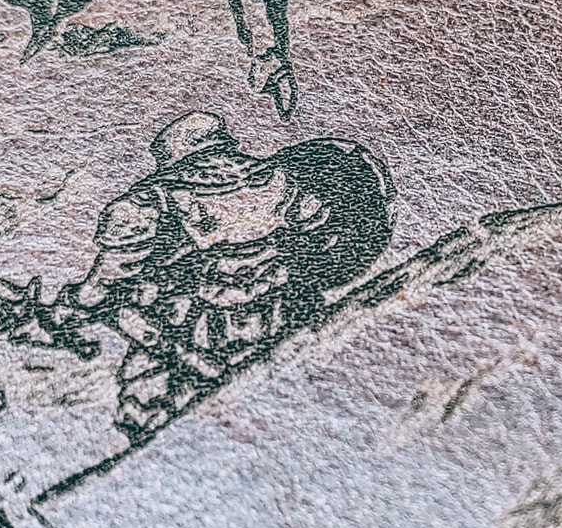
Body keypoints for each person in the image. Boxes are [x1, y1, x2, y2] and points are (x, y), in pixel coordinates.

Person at [72, 112, 393, 439]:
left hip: (208, 323)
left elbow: (109, 277)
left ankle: (149, 425)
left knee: (149, 391)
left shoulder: (161, 199)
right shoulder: (282, 182)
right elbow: (323, 230)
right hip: (279, 309)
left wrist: (83, 301)